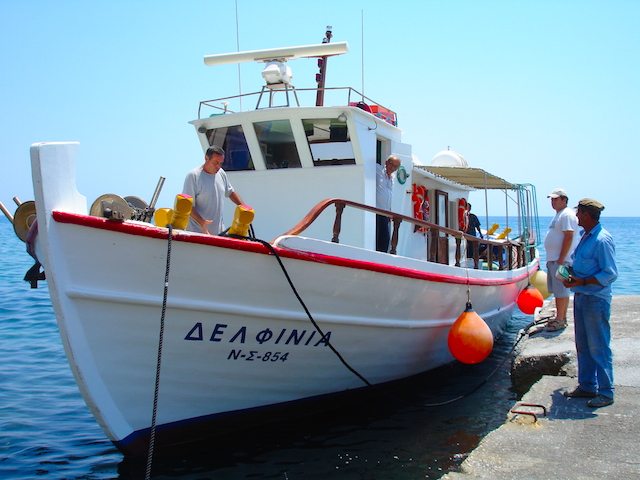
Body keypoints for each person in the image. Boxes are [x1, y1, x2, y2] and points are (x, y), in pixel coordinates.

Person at [561, 198, 617, 408]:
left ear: (586, 214)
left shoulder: (602, 240)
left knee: (599, 346)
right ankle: (587, 385)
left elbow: (610, 273)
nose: (576, 217)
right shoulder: (585, 237)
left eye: (578, 213)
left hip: (595, 300)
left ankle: (606, 392)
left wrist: (583, 281)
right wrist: (570, 276)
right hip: (582, 296)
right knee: (583, 345)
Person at [183, 145, 245, 235]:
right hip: (197, 232)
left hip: (218, 232)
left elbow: (230, 192)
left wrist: (243, 207)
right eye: (215, 162)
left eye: (220, 163)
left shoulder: (221, 173)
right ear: (206, 158)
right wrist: (201, 222)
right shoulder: (193, 176)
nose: (218, 166)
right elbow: (187, 205)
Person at [543, 188, 580, 332]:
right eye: (552, 199)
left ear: (564, 200)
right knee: (557, 290)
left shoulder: (567, 215)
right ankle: (560, 316)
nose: (553, 202)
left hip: (562, 260)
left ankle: (561, 319)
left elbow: (568, 236)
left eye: (556, 199)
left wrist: (561, 258)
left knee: (561, 290)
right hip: (555, 259)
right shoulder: (559, 215)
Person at [376, 155, 401, 252]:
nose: (392, 167)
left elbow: (388, 194)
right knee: (377, 238)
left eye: (395, 166)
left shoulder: (392, 177)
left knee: (385, 239)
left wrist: (389, 210)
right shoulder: (377, 169)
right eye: (391, 164)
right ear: (386, 162)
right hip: (376, 210)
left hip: (385, 213)